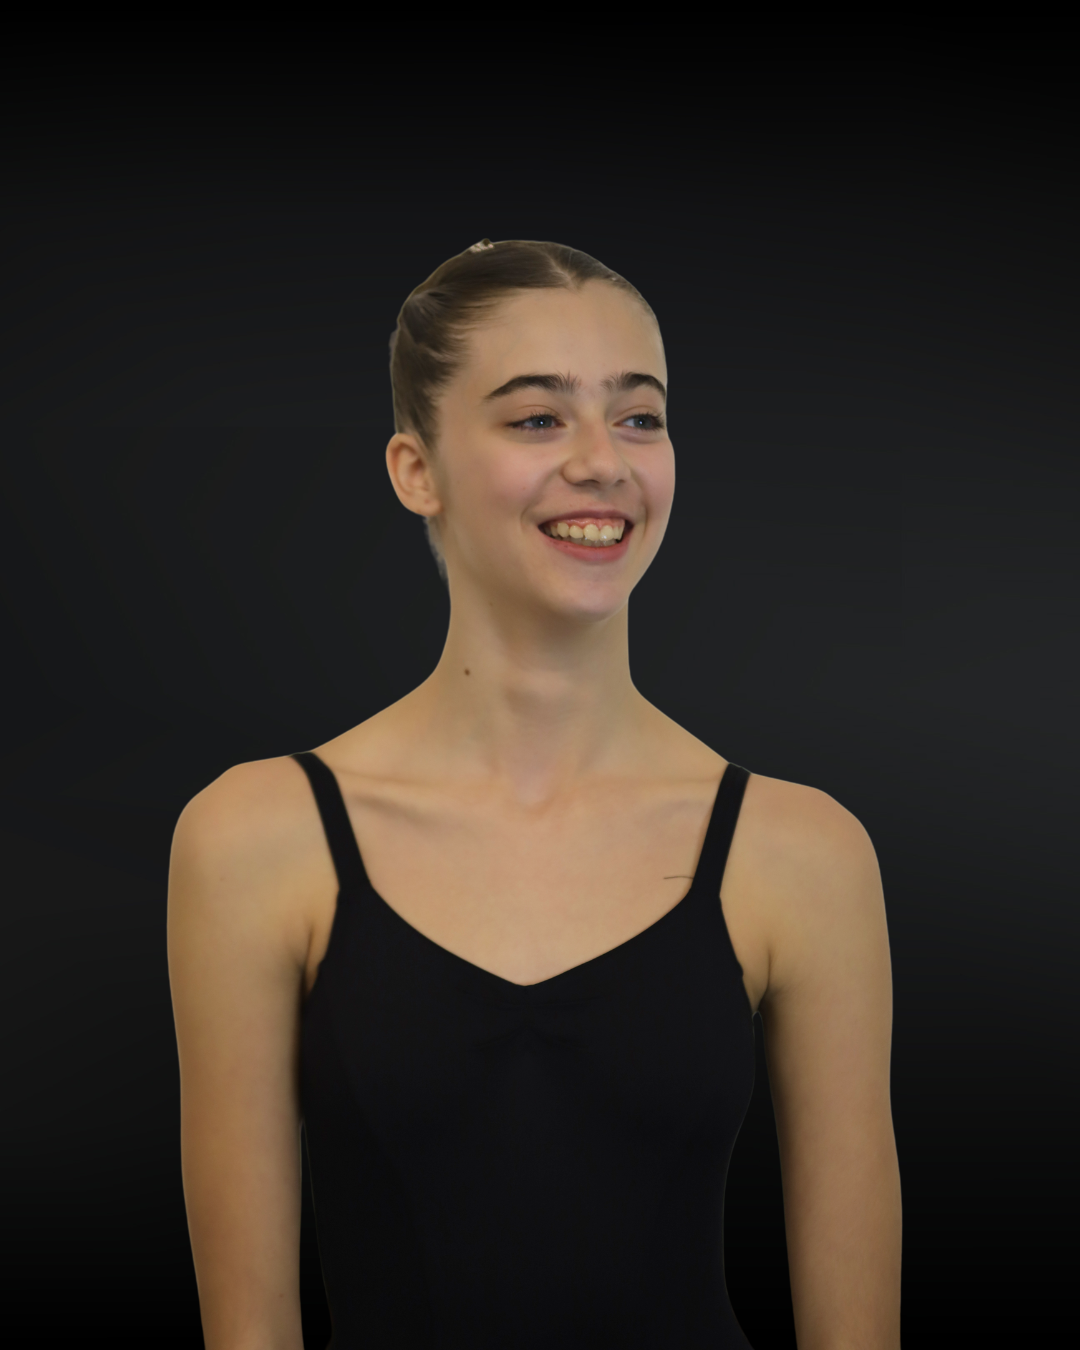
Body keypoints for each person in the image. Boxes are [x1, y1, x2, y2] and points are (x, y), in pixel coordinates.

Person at [167, 239, 902, 1349]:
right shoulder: (257, 840)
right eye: (538, 418)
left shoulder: (803, 851)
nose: (603, 461)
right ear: (415, 470)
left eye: (640, 416)